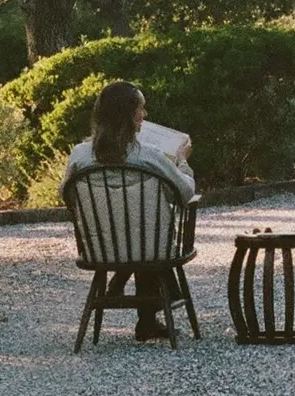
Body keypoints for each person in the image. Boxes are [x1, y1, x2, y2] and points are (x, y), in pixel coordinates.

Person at [61, 80, 195, 341]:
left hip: (101, 249)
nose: (144, 115)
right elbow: (184, 193)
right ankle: (147, 319)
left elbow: (66, 194)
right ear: (129, 115)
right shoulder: (150, 156)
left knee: (137, 231)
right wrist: (182, 162)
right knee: (147, 234)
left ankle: (128, 297)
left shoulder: (79, 156)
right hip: (149, 248)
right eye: (141, 109)